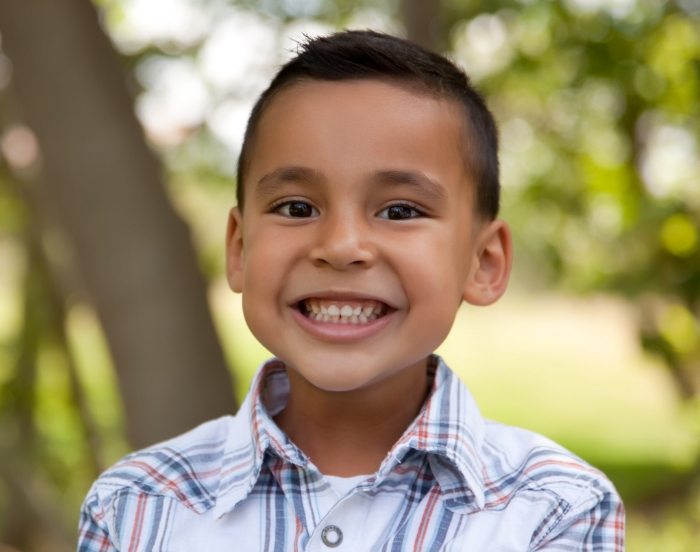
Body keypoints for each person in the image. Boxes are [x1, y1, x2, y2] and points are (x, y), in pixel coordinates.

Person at [78, 30, 625, 551]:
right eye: (297, 208)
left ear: (483, 262)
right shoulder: (136, 506)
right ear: (240, 249)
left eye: (400, 210)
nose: (341, 246)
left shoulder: (556, 508)